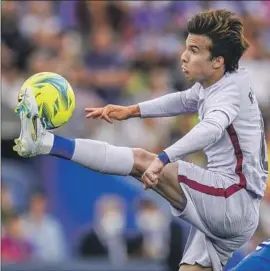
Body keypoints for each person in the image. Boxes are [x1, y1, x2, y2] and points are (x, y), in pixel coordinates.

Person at [13, 9, 268, 271]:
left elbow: (211, 128)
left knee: (141, 160)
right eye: (186, 47)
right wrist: (131, 111)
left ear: (217, 60)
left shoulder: (228, 93)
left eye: (194, 49)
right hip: (232, 206)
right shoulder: (221, 80)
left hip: (230, 199)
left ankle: (45, 142)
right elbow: (183, 100)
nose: (184, 56)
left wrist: (164, 158)